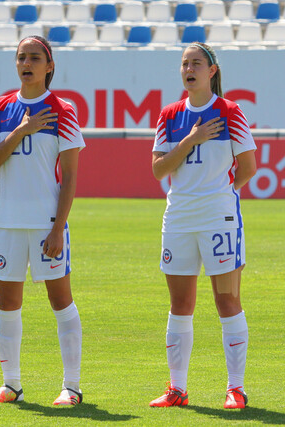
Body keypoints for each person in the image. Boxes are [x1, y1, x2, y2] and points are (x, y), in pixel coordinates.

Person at [0, 36, 85, 406]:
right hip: (6, 222)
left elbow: (70, 176)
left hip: (45, 223)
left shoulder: (63, 109)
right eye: (21, 57)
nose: (27, 63)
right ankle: (11, 385)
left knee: (61, 301)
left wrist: (58, 227)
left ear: (49, 66)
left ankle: (71, 387)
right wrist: (21, 130)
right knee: (7, 304)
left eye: (35, 57)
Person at [149, 42, 257, 409]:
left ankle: (236, 388)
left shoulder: (230, 112)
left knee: (227, 300)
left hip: (218, 218)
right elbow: (159, 169)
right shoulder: (169, 115)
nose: (188, 69)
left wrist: (220, 193)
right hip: (178, 218)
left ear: (212, 71)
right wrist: (191, 139)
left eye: (196, 63)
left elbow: (248, 168)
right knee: (180, 303)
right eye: (184, 64)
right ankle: (177, 389)